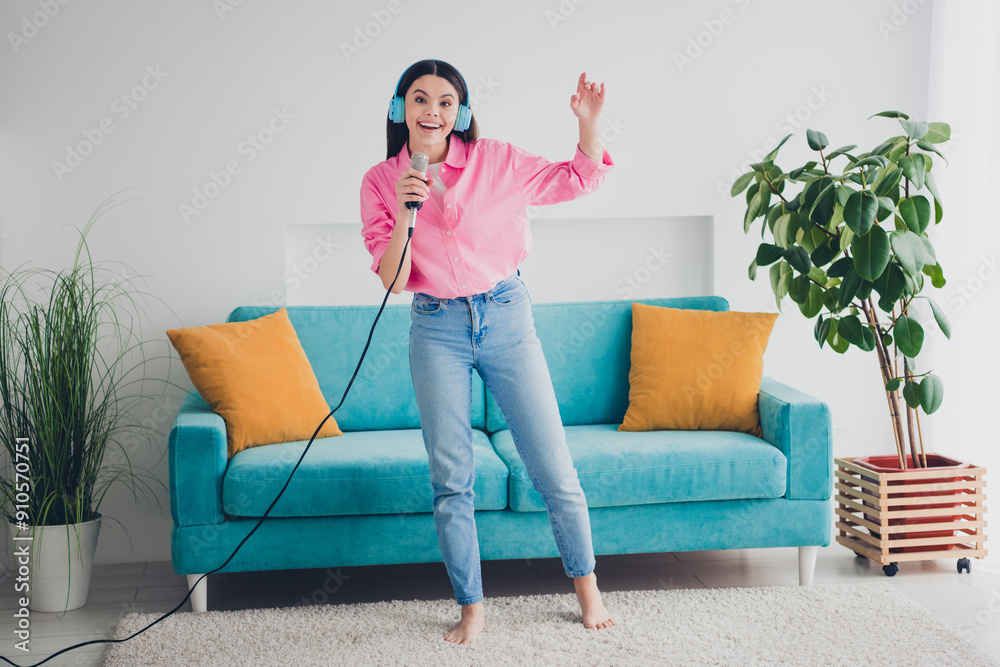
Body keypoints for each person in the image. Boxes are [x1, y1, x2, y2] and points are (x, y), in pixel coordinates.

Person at [360, 59, 616, 645]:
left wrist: (588, 126)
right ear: (400, 110)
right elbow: (394, 280)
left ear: (462, 112)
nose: (433, 111)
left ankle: (587, 588)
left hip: (505, 314)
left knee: (554, 467)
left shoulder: (496, 160)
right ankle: (471, 607)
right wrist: (405, 209)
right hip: (435, 325)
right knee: (452, 479)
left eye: (446, 101)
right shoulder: (381, 180)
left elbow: (579, 178)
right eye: (419, 99)